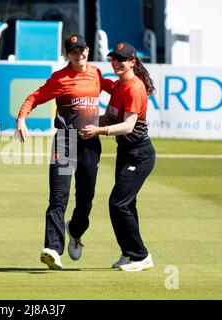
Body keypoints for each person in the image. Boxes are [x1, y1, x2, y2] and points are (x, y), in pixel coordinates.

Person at [15, 35, 113, 270]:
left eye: (82, 50)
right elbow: (34, 97)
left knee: (86, 200)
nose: (79, 54)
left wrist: (135, 86)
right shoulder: (59, 79)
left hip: (91, 142)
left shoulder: (96, 74)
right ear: (66, 55)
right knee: (58, 198)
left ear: (88, 51)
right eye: (74, 51)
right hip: (65, 140)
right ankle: (53, 249)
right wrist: (21, 119)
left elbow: (117, 89)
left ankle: (75, 231)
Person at [80, 42, 156, 272]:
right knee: (126, 205)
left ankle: (141, 256)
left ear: (133, 62)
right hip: (126, 152)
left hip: (139, 154)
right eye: (114, 59)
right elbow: (109, 117)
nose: (116, 63)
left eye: (121, 59)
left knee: (118, 204)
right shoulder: (119, 86)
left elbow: (128, 126)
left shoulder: (134, 87)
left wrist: (98, 131)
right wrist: (83, 124)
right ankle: (129, 253)